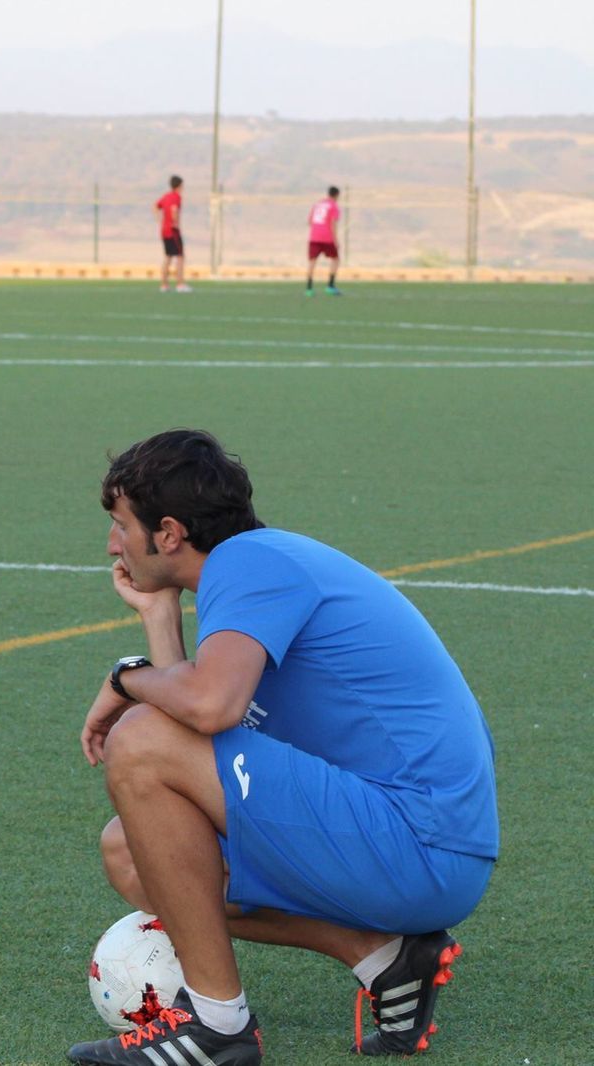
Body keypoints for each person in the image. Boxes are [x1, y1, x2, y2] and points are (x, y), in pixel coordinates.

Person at [67, 429, 497, 1065]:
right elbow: (198, 724)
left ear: (169, 533)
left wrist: (125, 678)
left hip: (420, 843)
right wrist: (158, 617)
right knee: (131, 852)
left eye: (121, 525)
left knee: (140, 737)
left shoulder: (250, 564)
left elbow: (208, 708)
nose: (112, 544)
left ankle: (216, 1027)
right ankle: (384, 958)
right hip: (419, 846)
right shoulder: (256, 566)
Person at [155, 176, 190, 293]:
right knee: (180, 257)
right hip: (173, 230)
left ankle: (164, 285)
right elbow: (174, 209)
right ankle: (180, 284)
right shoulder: (176, 197)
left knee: (168, 256)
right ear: (180, 186)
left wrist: (160, 220)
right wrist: (175, 223)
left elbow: (155, 206)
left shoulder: (166, 196)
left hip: (164, 231)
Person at [307, 186, 343, 296]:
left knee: (312, 261)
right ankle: (330, 286)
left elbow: (310, 221)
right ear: (337, 195)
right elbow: (333, 223)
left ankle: (309, 289)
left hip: (314, 237)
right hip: (327, 237)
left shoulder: (317, 204)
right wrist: (336, 240)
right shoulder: (334, 206)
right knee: (335, 259)